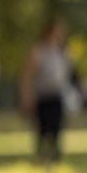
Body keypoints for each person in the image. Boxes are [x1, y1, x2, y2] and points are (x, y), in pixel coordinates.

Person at [20, 19, 73, 164]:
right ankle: (41, 157)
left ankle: (55, 157)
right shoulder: (38, 51)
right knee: (42, 128)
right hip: (43, 96)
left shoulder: (62, 52)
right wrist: (27, 96)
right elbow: (28, 76)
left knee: (57, 127)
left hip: (58, 95)